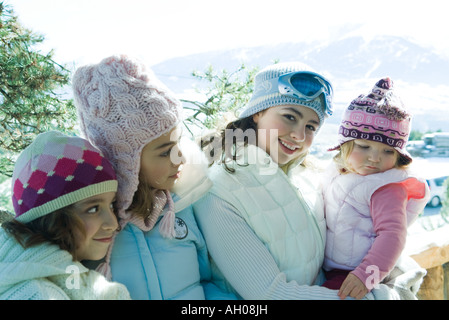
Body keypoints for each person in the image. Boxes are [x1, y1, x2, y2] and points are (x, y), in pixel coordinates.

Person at [193, 62, 426, 300]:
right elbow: (270, 294)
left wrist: (391, 273)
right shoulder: (221, 189)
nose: (299, 135)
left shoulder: (308, 176)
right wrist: (378, 297)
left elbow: (361, 239)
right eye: (289, 117)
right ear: (258, 111)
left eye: (311, 126)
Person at [72, 54, 235, 300]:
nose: (180, 158)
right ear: (125, 162)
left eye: (178, 142)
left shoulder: (185, 205)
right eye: (165, 152)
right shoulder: (99, 231)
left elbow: (208, 280)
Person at [321, 77, 430, 299]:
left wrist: (366, 276)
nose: (374, 158)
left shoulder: (385, 187)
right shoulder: (341, 171)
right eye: (364, 146)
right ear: (345, 144)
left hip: (356, 272)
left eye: (388, 151)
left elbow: (393, 235)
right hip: (336, 266)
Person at [0, 131, 131, 300]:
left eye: (111, 205)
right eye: (93, 209)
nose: (113, 224)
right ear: (50, 218)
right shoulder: (36, 294)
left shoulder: (67, 280)